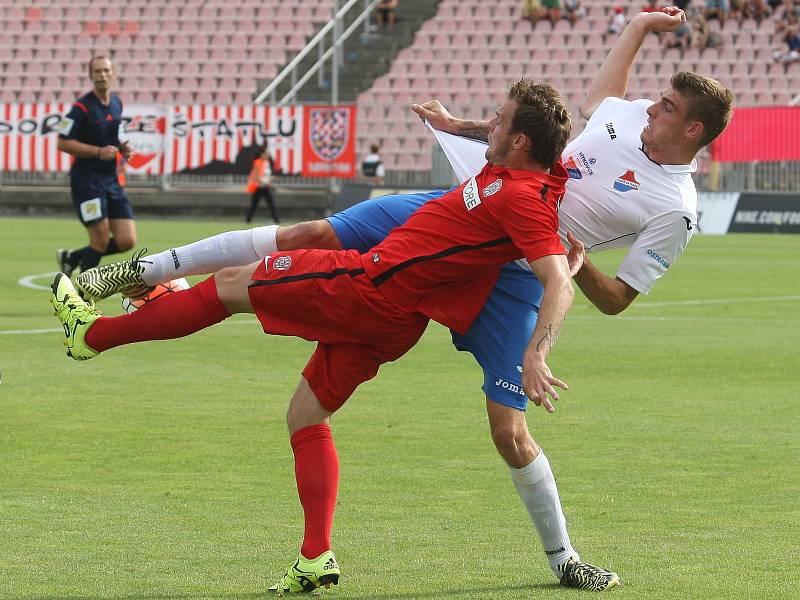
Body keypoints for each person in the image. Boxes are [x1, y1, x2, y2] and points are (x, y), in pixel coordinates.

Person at [72, 7, 733, 593]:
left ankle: (562, 558)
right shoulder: (614, 119)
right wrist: (638, 28)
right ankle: (125, 276)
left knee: (508, 431)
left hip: (515, 267)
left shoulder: (674, 210)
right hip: (464, 213)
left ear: (694, 129)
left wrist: (572, 267)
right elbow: (548, 122)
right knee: (312, 231)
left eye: (668, 108)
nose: (649, 108)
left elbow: (615, 298)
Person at [54, 80, 582, 593]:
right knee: (305, 415)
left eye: (500, 119)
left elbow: (557, 280)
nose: (489, 123)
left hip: (367, 286)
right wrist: (455, 124)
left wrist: (538, 352)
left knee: (231, 284)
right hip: (397, 322)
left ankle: (93, 335)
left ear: (520, 142)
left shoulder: (521, 198)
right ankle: (315, 557)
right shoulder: (535, 164)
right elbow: (527, 144)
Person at [56, 56, 135, 278]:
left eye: (106, 70)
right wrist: (97, 152)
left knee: (126, 240)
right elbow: (62, 142)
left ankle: (72, 258)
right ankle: (83, 296)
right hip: (87, 181)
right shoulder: (80, 108)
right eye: (97, 71)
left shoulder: (117, 102)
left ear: (113, 73)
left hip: (110, 180)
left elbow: (112, 132)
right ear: (90, 75)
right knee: (99, 239)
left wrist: (121, 147)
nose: (102, 75)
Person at [245, 144, 280, 224]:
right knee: (254, 205)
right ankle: (247, 220)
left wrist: (272, 178)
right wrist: (267, 183)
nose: (268, 155)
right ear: (262, 154)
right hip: (258, 187)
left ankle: (277, 221)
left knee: (271, 204)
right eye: (266, 154)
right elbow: (256, 177)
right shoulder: (257, 163)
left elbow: (266, 176)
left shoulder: (266, 163)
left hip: (265, 187)